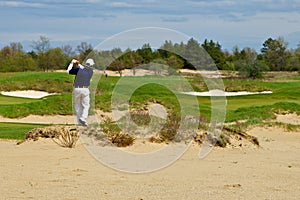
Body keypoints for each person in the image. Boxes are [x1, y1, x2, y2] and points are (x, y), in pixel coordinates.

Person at [67, 58, 95, 126]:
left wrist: (72, 63)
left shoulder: (78, 70)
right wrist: (78, 64)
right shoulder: (91, 71)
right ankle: (83, 118)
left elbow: (68, 71)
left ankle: (80, 122)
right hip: (85, 89)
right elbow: (84, 69)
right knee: (86, 106)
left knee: (78, 106)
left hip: (77, 89)